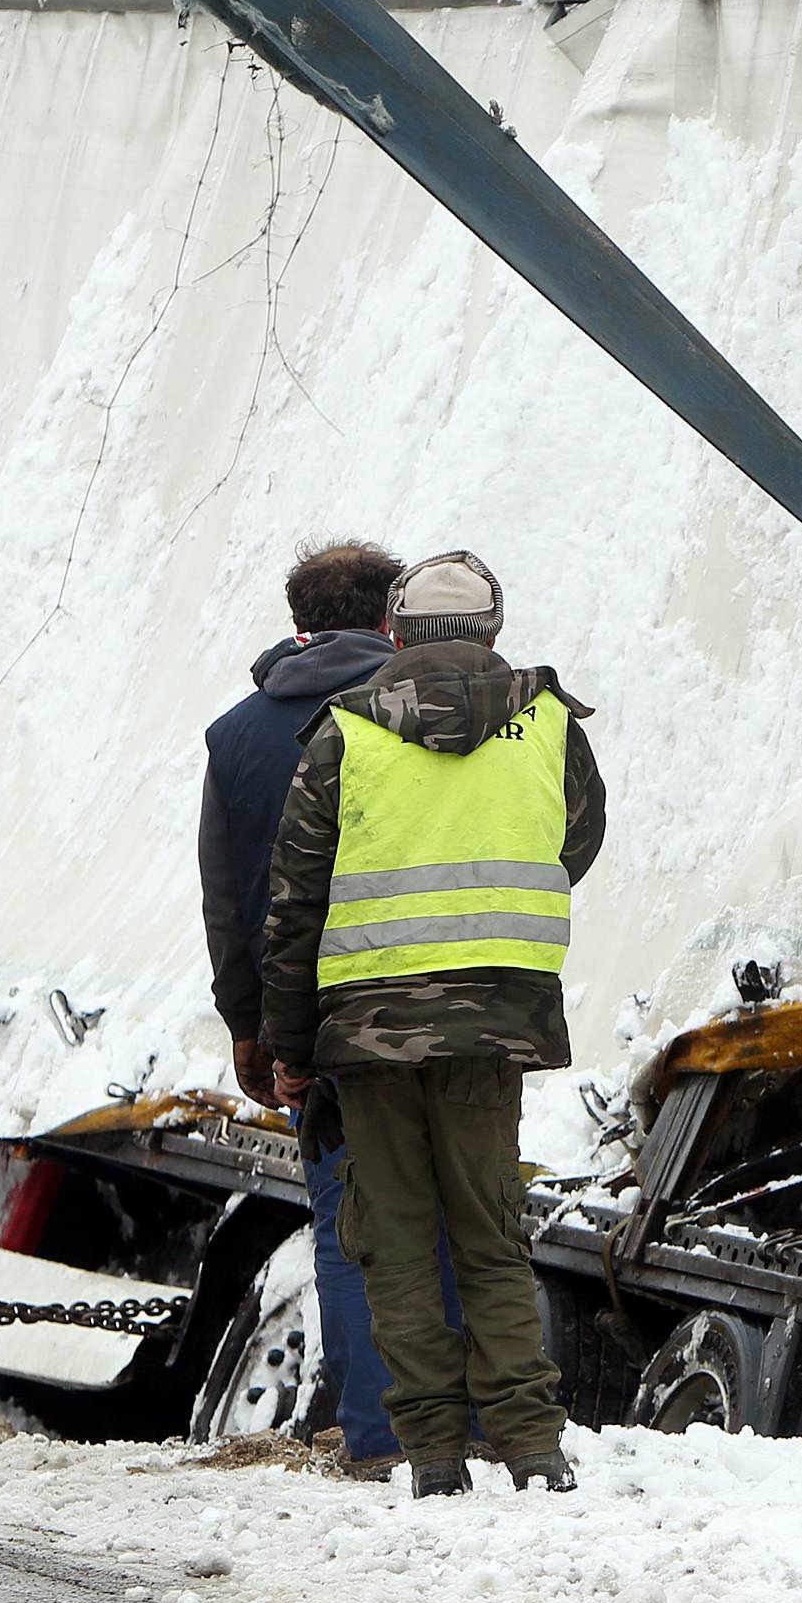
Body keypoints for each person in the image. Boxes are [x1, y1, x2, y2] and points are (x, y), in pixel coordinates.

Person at [262, 550, 605, 1499]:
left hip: (370, 1034)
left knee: (399, 1239)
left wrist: (291, 1050)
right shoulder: (550, 729)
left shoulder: (345, 735)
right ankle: (533, 1446)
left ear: (397, 634)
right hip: (494, 1023)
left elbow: (293, 909)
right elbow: (574, 842)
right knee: (491, 1230)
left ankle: (434, 1456)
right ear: (493, 633)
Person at [201, 537, 433, 1476]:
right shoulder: (417, 715)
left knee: (347, 1223)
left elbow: (230, 899)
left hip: (309, 1019)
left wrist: (247, 1025)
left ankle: (371, 1432)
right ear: (390, 619)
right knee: (447, 1207)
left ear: (297, 619)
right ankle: (452, 1419)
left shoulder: (235, 735)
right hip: (425, 997)